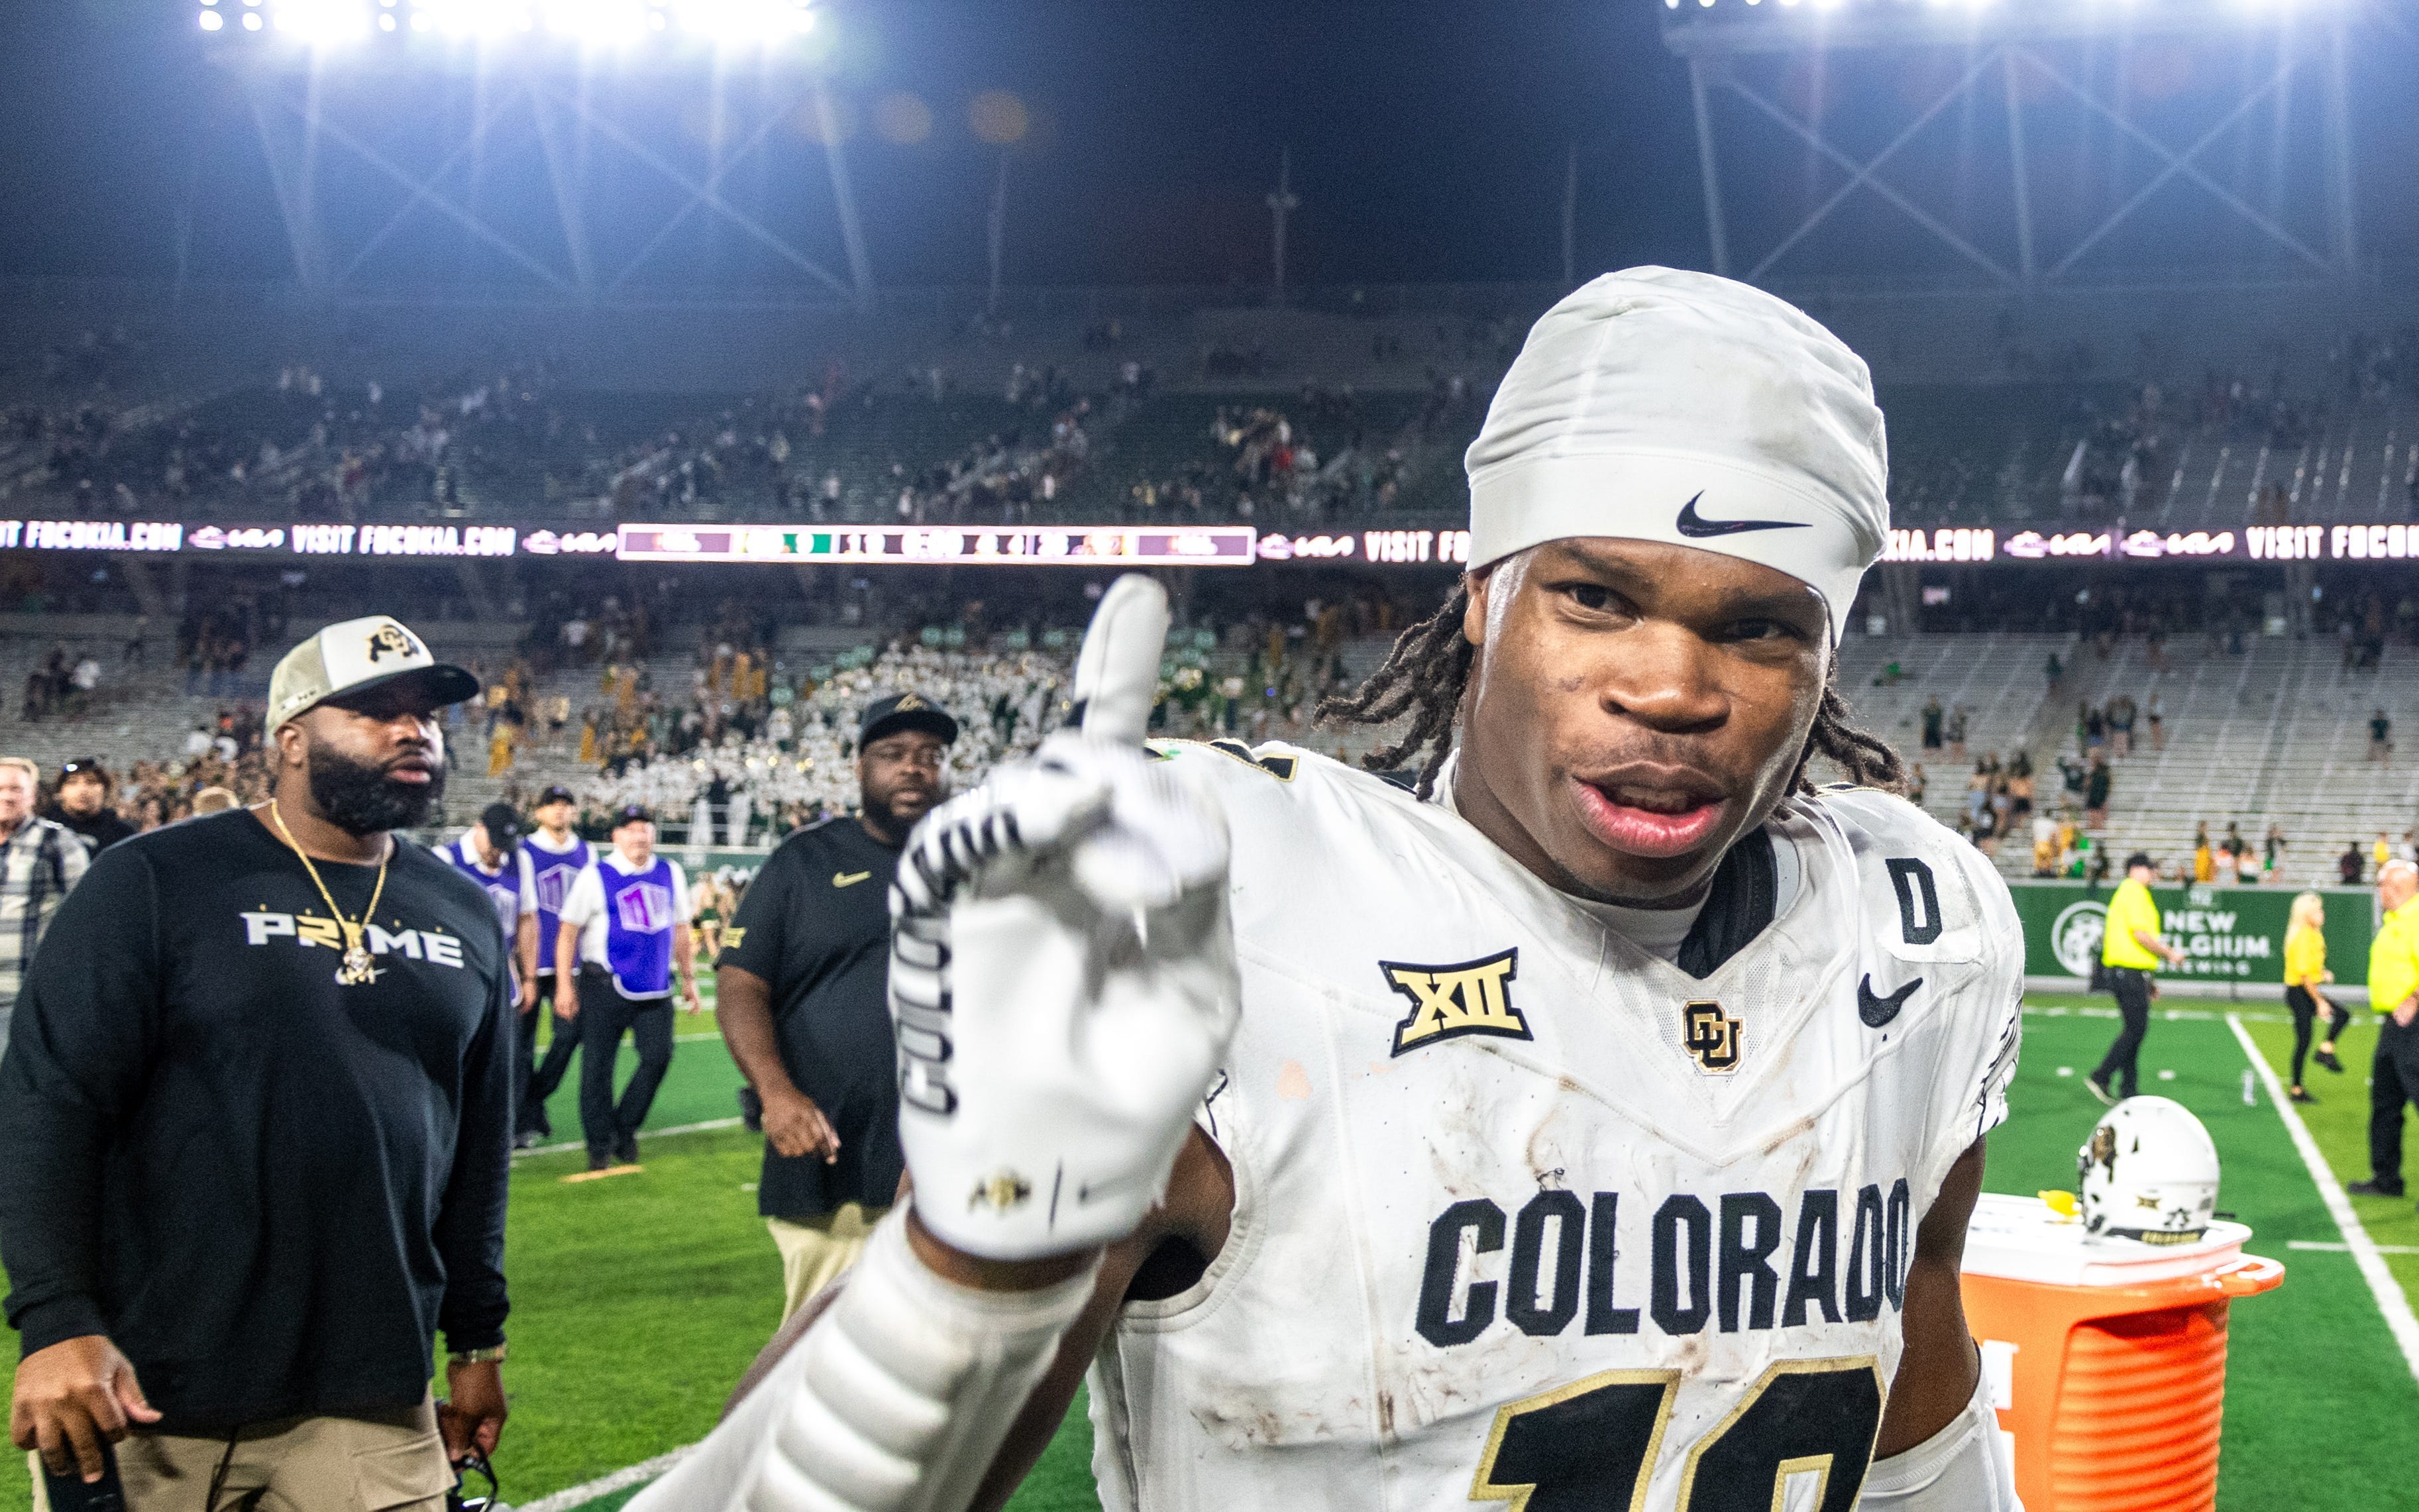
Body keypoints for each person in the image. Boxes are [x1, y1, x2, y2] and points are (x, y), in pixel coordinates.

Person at [639, 270, 2026, 1511]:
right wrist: (977, 1256)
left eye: (1757, 626)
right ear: (1485, 597)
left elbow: (1916, 1364)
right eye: (1596, 597)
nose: (1669, 687)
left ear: (1825, 656)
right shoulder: (1240, 898)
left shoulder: (1909, 926)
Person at [0, 614, 510, 1508]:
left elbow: (476, 1152)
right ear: (291, 739)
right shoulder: (155, 878)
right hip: (149, 1384)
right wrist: (52, 1319)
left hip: (375, 1391)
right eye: (372, 709)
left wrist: (475, 1344)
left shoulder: (462, 908)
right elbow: (49, 1097)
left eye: (427, 712)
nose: (413, 729)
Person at [720, 693, 954, 1321]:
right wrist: (776, 1093)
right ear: (858, 767)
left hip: (958, 1161)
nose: (914, 768)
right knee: (821, 1354)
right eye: (893, 754)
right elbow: (741, 982)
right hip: (832, 1157)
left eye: (930, 756)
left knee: (951, 1368)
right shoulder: (803, 861)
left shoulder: (980, 864)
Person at [557, 804, 703, 1171]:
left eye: (646, 828)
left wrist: (689, 978)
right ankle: (599, 1143)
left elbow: (682, 927)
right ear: (617, 836)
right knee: (597, 1068)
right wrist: (564, 985)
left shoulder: (670, 872)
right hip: (602, 984)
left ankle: (626, 1125)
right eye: (632, 829)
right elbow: (568, 931)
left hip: (655, 986)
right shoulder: (595, 875)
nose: (641, 835)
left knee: (658, 1056)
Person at [515, 784, 592, 1148]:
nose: (560, 811)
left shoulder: (587, 852)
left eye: (566, 805)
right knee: (520, 1048)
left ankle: (532, 1099)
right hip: (529, 962)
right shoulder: (523, 850)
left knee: (568, 1037)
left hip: (570, 966)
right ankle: (525, 1119)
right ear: (539, 812)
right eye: (553, 805)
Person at [0, 757, 87, 1059]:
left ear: (33, 796)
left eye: (16, 789)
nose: (7, 796)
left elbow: (85, 919)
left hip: (25, 999)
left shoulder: (58, 842)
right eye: (0, 788)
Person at [2088, 853, 2188, 1106]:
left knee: (2134, 1028)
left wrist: (2149, 979)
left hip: (2131, 972)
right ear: (2137, 869)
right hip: (2127, 972)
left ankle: (2129, 1087)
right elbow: (2141, 935)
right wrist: (2170, 955)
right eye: (2151, 868)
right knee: (2136, 1029)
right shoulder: (2133, 892)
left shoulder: (2132, 892)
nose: (2155, 873)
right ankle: (2102, 1075)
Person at [2351, 860, 2419, 1205]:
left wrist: (2414, 998)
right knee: (2386, 1103)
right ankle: (2386, 1178)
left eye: (2383, 885)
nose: (2379, 892)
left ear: (2399, 886)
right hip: (2395, 1025)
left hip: (2415, 1022)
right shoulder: (2396, 921)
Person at [443, 802, 539, 1021]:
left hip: (503, 979)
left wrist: (529, 978)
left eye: (504, 845)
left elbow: (527, 920)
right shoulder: (446, 859)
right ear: (479, 828)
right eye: (495, 843)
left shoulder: (520, 860)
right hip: (457, 977)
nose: (498, 851)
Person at [2283, 891, 2346, 1103]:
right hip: (2299, 993)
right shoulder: (2303, 937)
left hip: (2305, 991)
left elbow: (2312, 969)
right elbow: (2304, 977)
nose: (2322, 914)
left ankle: (2325, 1050)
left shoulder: (2314, 934)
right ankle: (2296, 1089)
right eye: (2317, 911)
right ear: (2306, 915)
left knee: (2342, 1015)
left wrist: (2323, 973)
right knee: (2304, 1040)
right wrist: (2319, 1002)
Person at [46, 760, 135, 855]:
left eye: (91, 782)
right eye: (73, 782)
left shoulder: (122, 835)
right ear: (60, 792)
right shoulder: (44, 830)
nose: (82, 790)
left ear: (105, 790)